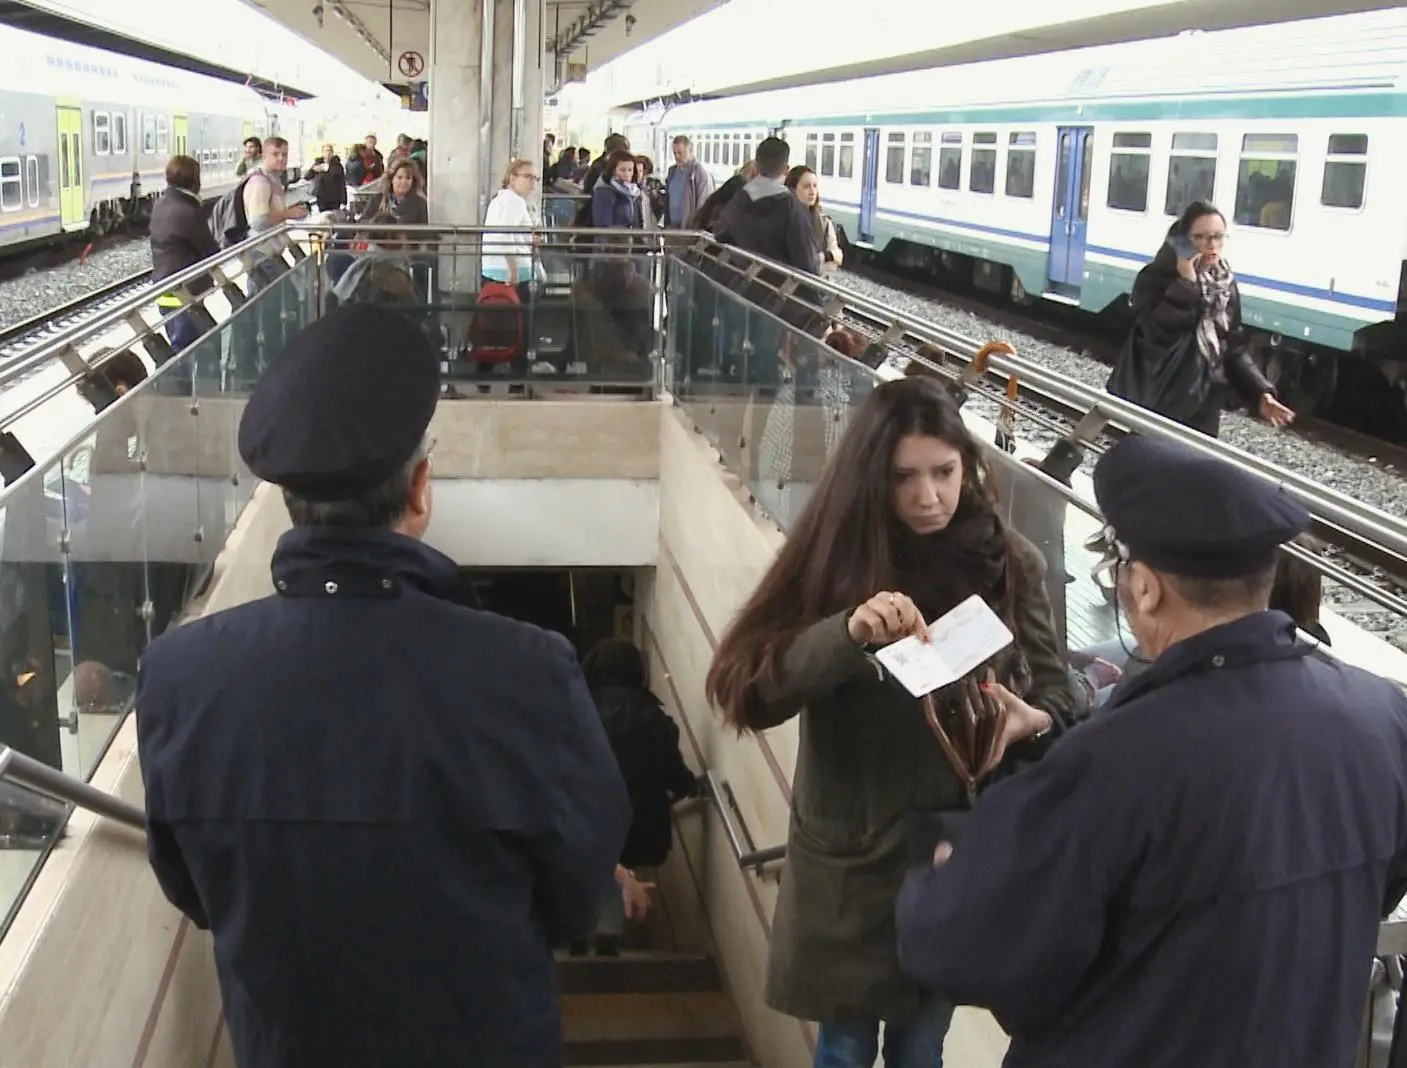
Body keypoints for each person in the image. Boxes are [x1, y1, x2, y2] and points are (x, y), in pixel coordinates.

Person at [135, 305, 633, 1068]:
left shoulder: (180, 677)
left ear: (288, 500)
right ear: (420, 490)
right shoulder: (526, 673)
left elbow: (194, 890)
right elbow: (576, 888)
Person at [895, 435, 1407, 1068]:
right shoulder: (1382, 715)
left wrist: (943, 876)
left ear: (1145, 590)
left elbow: (962, 949)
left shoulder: (1113, 759)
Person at [704, 376, 1071, 1068]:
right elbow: (749, 689)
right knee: (843, 1047)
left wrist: (1035, 719)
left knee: (921, 1046)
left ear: (969, 467)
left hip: (950, 854)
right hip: (850, 855)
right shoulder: (834, 561)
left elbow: (1058, 690)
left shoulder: (1009, 561)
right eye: (905, 478)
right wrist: (846, 634)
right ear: (873, 477)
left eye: (944, 473)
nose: (929, 497)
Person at [1116, 201, 1295, 437]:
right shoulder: (1155, 278)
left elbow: (1231, 347)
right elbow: (1156, 334)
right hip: (1159, 400)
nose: (1212, 246)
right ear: (1182, 241)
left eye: (1218, 237)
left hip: (1205, 404)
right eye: (1200, 237)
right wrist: (1187, 283)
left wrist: (1259, 392)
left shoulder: (1224, 284)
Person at [572, 639, 699, 957]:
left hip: (584, 816)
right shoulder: (654, 717)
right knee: (620, 861)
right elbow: (675, 773)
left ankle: (577, 933)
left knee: (590, 863)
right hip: (639, 823)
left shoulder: (577, 711)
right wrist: (688, 786)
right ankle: (607, 935)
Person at [714, 136, 819, 275]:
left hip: (742, 282)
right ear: (786, 169)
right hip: (778, 289)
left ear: (757, 167)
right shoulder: (792, 207)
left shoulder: (739, 198)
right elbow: (807, 264)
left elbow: (720, 234)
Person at [148, 154, 219, 355]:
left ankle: (179, 385)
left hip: (163, 288)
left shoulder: (160, 204)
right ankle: (180, 387)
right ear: (194, 180)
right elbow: (211, 250)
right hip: (185, 292)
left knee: (179, 347)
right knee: (186, 352)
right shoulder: (188, 211)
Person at [665, 135, 714, 229]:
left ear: (690, 150)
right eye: (674, 153)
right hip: (672, 226)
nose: (677, 156)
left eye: (680, 153)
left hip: (689, 229)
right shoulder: (672, 171)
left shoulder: (700, 173)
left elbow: (703, 203)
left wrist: (698, 226)